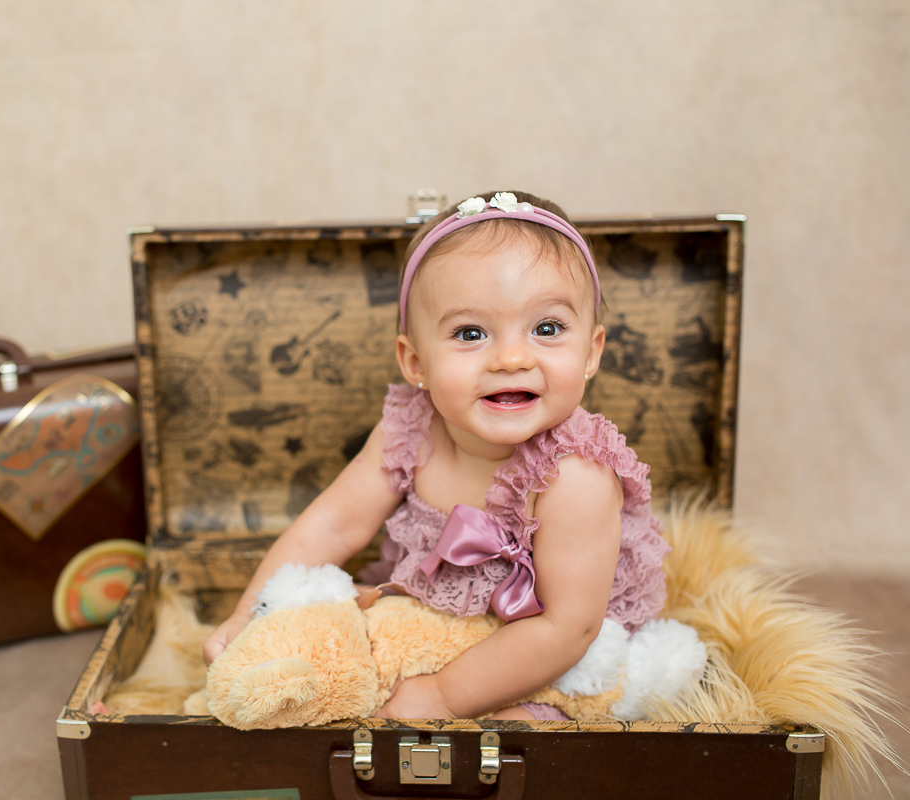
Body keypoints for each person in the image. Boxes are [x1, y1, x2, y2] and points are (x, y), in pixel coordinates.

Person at [203, 190, 669, 721]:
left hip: (553, 655)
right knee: (324, 667)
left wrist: (442, 696)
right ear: (415, 362)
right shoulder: (411, 426)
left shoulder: (575, 472)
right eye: (470, 333)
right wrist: (250, 614)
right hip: (427, 622)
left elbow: (568, 629)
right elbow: (333, 525)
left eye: (547, 329)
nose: (512, 358)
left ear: (591, 353)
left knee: (536, 728)